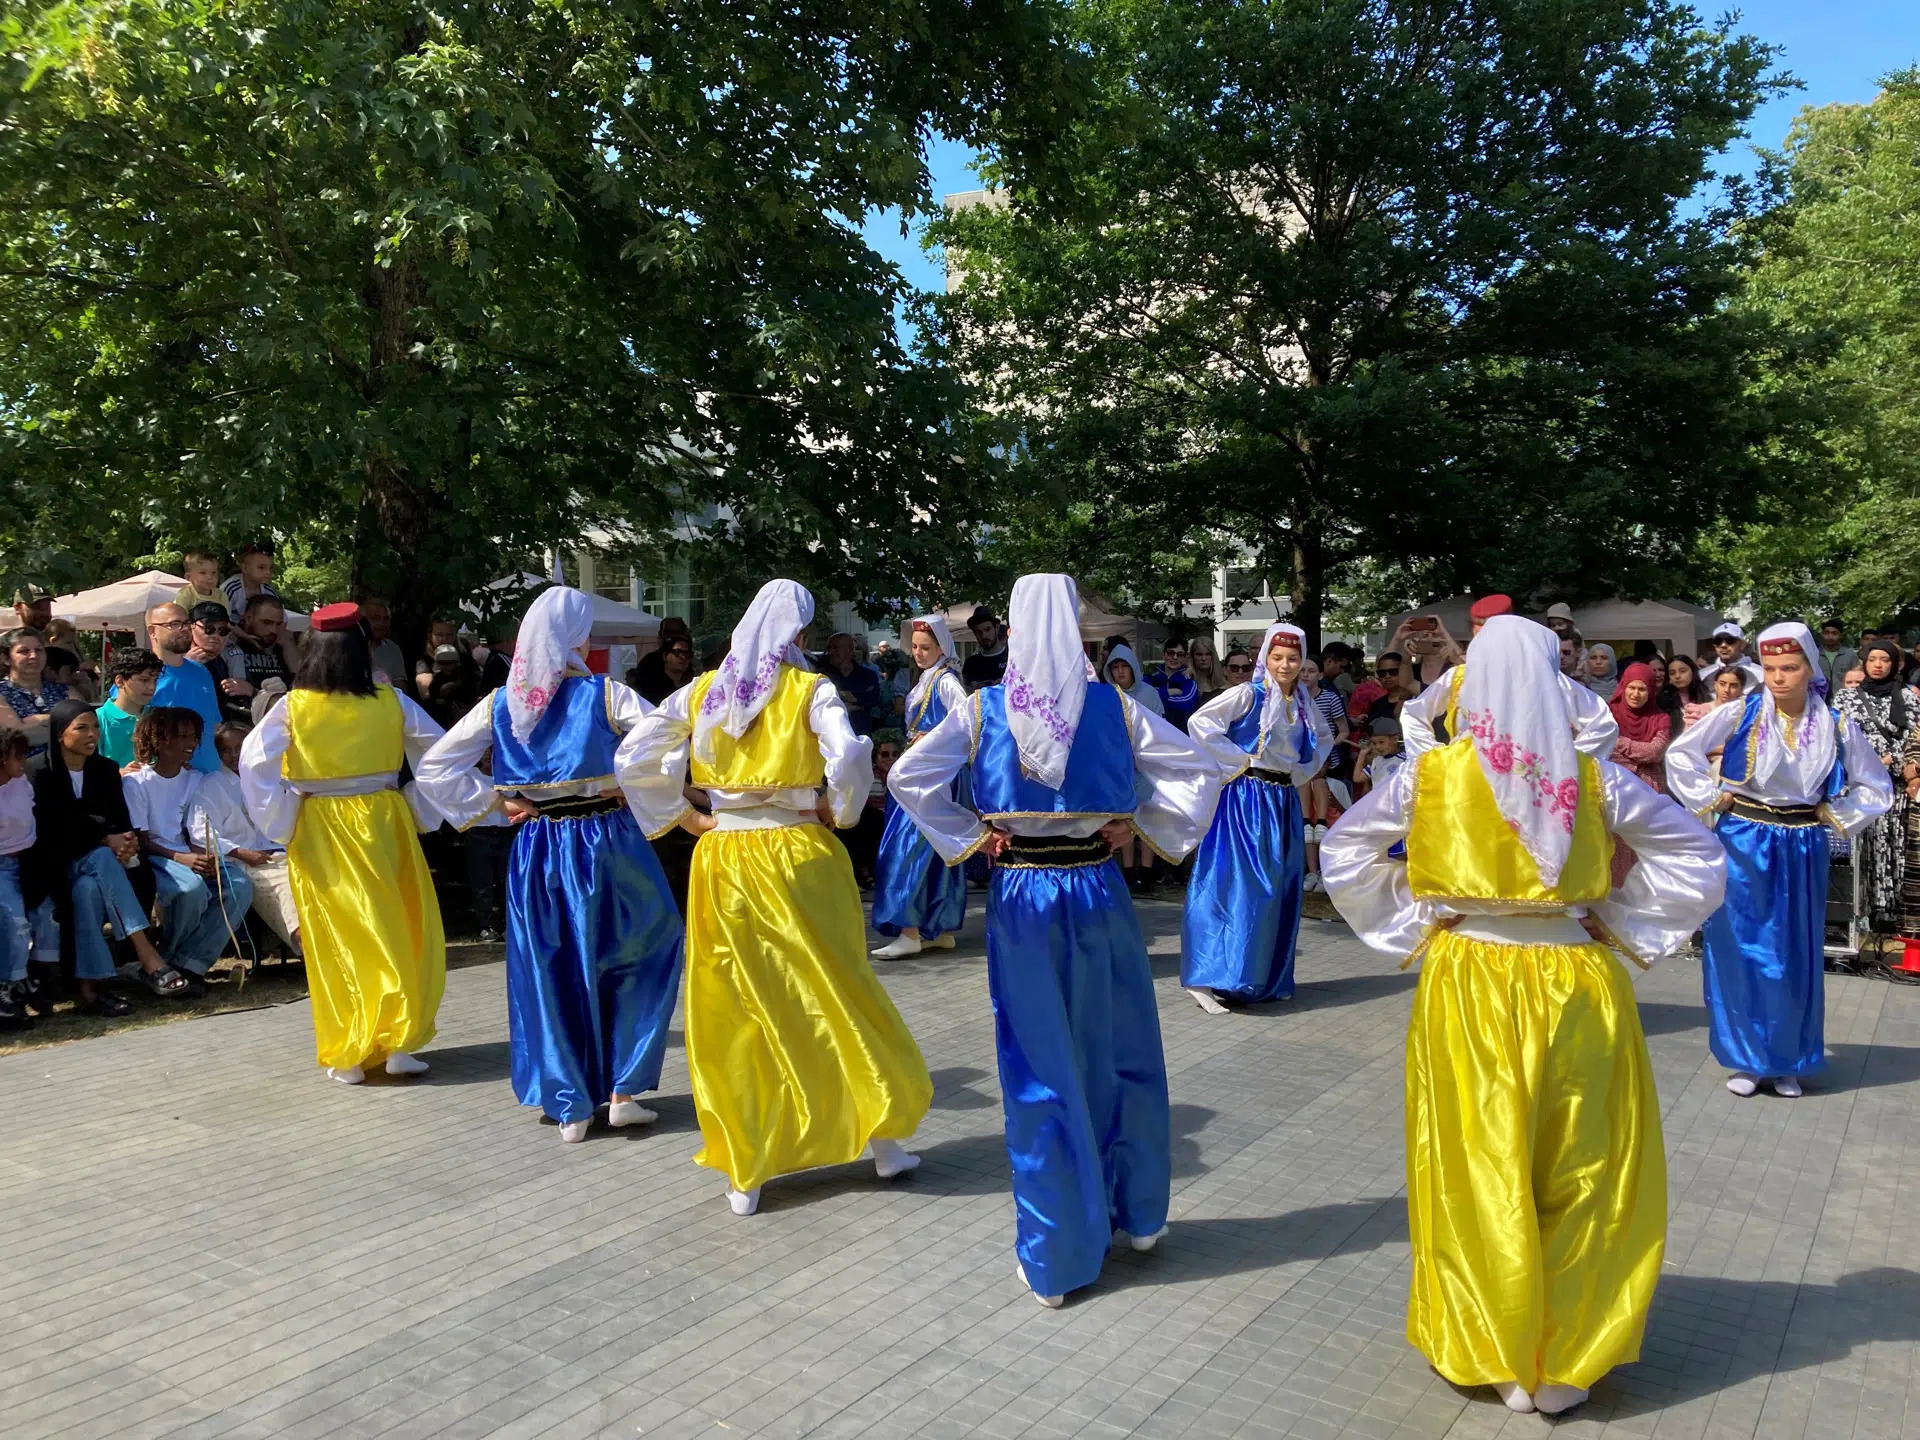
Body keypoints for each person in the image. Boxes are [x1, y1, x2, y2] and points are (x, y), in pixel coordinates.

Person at [1323, 615, 1727, 1417]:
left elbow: (1344, 850)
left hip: (1469, 978)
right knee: (1588, 1161)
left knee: (1478, 1160)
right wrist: (1617, 918)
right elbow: (1697, 853)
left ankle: (1494, 1344)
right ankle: (1571, 1352)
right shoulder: (1597, 779)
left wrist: (1422, 916)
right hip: (1576, 978)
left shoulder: (1430, 776)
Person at [887, 573, 1222, 1307]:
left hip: (1024, 896)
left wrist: (971, 835)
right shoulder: (1114, 705)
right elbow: (1198, 768)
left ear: (1013, 627)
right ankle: (1138, 1214)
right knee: (1119, 1040)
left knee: (1040, 1062)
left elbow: (910, 777)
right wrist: (1141, 822)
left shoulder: (983, 708)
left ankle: (1058, 1252)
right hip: (1097, 888)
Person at [615, 579, 931, 1216]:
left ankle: (748, 1165)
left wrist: (685, 817)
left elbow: (635, 755)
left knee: (737, 1005)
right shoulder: (811, 690)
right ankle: (883, 1139)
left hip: (725, 857)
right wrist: (839, 808)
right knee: (834, 991)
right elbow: (849, 756)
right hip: (798, 852)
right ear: (800, 634)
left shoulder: (699, 692)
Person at [418, 586, 685, 1143]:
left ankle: (570, 1105)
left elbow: (436, 767)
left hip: (538, 847)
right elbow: (666, 736)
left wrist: (498, 802)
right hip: (609, 842)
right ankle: (622, 1090)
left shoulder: (499, 704)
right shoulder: (604, 694)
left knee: (551, 963)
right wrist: (630, 784)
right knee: (641, 949)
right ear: (576, 639)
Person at [1666, 622, 1893, 1099]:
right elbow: (1682, 754)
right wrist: (1710, 795)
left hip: (1802, 842)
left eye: (1789, 668)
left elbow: (1876, 786)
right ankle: (1747, 1056)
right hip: (1744, 837)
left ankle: (1788, 1058)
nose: (1778, 678)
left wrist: (1838, 812)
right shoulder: (1741, 712)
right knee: (1741, 946)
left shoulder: (1835, 724)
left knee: (1795, 950)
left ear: (1810, 669)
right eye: (1770, 669)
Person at [239, 603, 448, 1084]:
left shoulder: (292, 707)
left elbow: (253, 764)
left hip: (321, 826)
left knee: (338, 935)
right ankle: (398, 1042)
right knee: (396, 925)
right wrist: (417, 804)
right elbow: (440, 754)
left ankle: (350, 1051)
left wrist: (285, 813)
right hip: (383, 821)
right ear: (360, 649)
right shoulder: (392, 700)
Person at [1180, 623, 1331, 1013]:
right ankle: (1205, 976)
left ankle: (1258, 977)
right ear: (1266, 657)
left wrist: (1298, 773)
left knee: (1278, 886)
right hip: (1246, 798)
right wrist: (1240, 760)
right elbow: (1201, 724)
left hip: (1281, 800)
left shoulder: (1303, 703)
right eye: (1278, 657)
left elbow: (1324, 739)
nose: (1285, 665)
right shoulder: (1249, 693)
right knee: (1238, 883)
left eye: (1293, 658)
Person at [30, 702, 187, 1009]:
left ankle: (89, 989)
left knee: (88, 890)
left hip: (99, 867)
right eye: (82, 728)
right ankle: (147, 955)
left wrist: (126, 842)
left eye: (95, 727)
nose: (92, 734)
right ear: (60, 734)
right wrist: (104, 839)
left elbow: (119, 819)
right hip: (52, 865)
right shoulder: (38, 771)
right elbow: (49, 828)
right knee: (100, 859)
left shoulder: (104, 770)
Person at [124, 707, 254, 987]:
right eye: (182, 737)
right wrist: (181, 858)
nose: (192, 744)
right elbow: (142, 840)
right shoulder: (136, 783)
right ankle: (165, 962)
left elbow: (199, 826)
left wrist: (200, 855)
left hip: (194, 855)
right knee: (190, 890)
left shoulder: (197, 779)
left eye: (194, 737)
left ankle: (190, 964)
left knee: (239, 886)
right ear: (159, 740)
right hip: (158, 858)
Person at [870, 617, 970, 959]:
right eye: (914, 647)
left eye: (925, 647)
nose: (918, 653)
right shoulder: (929, 678)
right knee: (935, 850)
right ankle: (937, 927)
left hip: (930, 778)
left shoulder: (945, 681)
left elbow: (967, 722)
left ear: (942, 648)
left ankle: (910, 930)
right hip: (924, 774)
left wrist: (932, 737)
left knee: (905, 847)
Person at [1402, 615, 1618, 760]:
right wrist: (1434, 758)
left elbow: (1602, 724)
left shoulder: (1546, 678)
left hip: (1532, 784)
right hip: (1466, 785)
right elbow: (1413, 713)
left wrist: (1569, 761)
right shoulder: (1460, 676)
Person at [186, 723, 302, 957]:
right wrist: (239, 852)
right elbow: (200, 831)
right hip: (248, 862)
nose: (233, 755)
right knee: (288, 892)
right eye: (226, 750)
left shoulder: (273, 778)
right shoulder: (212, 785)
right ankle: (311, 954)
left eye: (239, 747)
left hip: (288, 854)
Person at [1834, 639, 1914, 942]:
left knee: (1892, 847)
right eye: (1872, 659)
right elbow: (1836, 739)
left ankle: (1889, 914)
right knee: (1861, 850)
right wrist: (1867, 764)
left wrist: (1893, 760)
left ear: (1895, 664)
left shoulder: (1908, 697)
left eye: (1885, 660)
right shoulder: (1846, 697)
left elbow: (1914, 740)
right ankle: (1860, 913)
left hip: (1894, 787)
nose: (1878, 665)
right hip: (1859, 786)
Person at [0, 731, 57, 1029]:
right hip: (2, 867)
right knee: (16, 925)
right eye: (17, 756)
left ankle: (28, 978)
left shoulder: (21, 782)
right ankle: (6, 987)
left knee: (46, 917)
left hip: (30, 861)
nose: (24, 762)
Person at [144, 603, 224, 772]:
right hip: (164, 778)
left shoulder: (202, 671)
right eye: (174, 624)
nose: (184, 629)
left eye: (187, 623)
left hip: (209, 776)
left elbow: (215, 725)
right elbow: (126, 731)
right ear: (152, 631)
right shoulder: (141, 676)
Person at [1297, 656, 1349, 886]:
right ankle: (1310, 865)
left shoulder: (1330, 698)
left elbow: (1343, 731)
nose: (1305, 674)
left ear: (1320, 674)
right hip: (1299, 761)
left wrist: (1326, 747)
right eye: (1302, 670)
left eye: (1311, 670)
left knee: (1322, 795)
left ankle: (1318, 826)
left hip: (1325, 761)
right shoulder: (1291, 698)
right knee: (1304, 789)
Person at [0, 627, 68, 758]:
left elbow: (85, 725)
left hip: (65, 768)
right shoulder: (2, 693)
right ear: (7, 659)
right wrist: (63, 724)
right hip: (23, 769)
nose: (33, 656)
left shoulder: (64, 690)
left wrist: (37, 722)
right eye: (24, 651)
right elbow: (18, 738)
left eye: (38, 650)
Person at [187, 600, 254, 724]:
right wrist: (184, 669)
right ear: (190, 626)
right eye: (209, 629)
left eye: (223, 631)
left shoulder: (232, 660)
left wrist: (251, 691)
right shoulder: (175, 659)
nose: (216, 636)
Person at [1608, 662, 1671, 792]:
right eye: (1631, 687)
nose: (1636, 694)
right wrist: (1641, 763)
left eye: (1642, 689)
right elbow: (1605, 749)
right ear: (1623, 687)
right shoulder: (1608, 714)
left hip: (1648, 788)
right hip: (1613, 784)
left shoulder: (1661, 719)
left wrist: (1619, 742)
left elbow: (1655, 752)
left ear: (1651, 691)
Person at [821, 632, 889, 737]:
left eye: (835, 648)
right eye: (829, 648)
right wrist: (856, 702)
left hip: (861, 735)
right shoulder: (822, 677)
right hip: (831, 735)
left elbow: (873, 699)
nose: (831, 652)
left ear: (849, 650)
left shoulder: (868, 675)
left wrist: (850, 698)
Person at [626, 617, 694, 704]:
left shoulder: (693, 666)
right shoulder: (647, 663)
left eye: (675, 632)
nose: (682, 657)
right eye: (677, 652)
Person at [1149, 638, 1200, 731]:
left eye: (1180, 654)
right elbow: (1142, 698)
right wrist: (1170, 692)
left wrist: (1157, 695)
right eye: (1170, 653)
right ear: (1163, 655)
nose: (1175, 657)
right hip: (1152, 732)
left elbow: (1185, 704)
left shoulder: (1189, 682)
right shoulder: (1149, 678)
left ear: (1185, 658)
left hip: (1179, 735)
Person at [221, 541, 280, 620]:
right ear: (245, 568)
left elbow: (281, 620)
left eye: (271, 568)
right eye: (261, 567)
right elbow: (218, 618)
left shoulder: (269, 592)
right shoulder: (231, 589)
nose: (268, 572)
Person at [1700, 621, 1764, 689]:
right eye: (1718, 640)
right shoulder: (1702, 675)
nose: (1723, 645)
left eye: (1730, 640)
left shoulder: (1761, 675)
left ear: (1742, 644)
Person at [1353, 716, 1405, 798]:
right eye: (1374, 743)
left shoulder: (1404, 761)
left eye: (1381, 742)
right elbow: (1357, 778)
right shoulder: (1376, 761)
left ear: (1395, 739)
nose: (1377, 747)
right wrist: (1362, 754)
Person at [360, 598, 408, 686]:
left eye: (386, 619)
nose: (381, 623)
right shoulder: (350, 646)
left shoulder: (393, 649)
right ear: (363, 621)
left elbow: (399, 685)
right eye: (375, 618)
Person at [1662, 653, 1714, 732]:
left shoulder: (1706, 696)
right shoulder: (1664, 699)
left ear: (1693, 671)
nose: (1677, 676)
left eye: (1683, 671)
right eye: (1672, 673)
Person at [962, 605, 1008, 689]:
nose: (984, 636)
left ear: (996, 628)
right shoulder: (970, 664)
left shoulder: (1011, 658)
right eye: (978, 632)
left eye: (988, 629)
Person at [174, 548, 226, 616]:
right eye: (203, 573)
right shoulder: (184, 595)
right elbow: (180, 618)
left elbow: (227, 618)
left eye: (214, 572)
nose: (210, 577)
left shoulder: (221, 595)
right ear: (189, 577)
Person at [1817, 621, 1859, 696]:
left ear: (1840, 635)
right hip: (1819, 698)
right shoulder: (1814, 654)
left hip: (1844, 698)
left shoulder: (1850, 655)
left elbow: (1857, 678)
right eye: (1826, 633)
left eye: (1834, 633)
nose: (1830, 636)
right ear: (1822, 634)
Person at [1188, 638, 1227, 702]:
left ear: (1213, 656)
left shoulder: (1223, 683)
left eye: (1208, 654)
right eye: (1199, 654)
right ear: (1192, 656)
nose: (1203, 658)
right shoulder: (1185, 680)